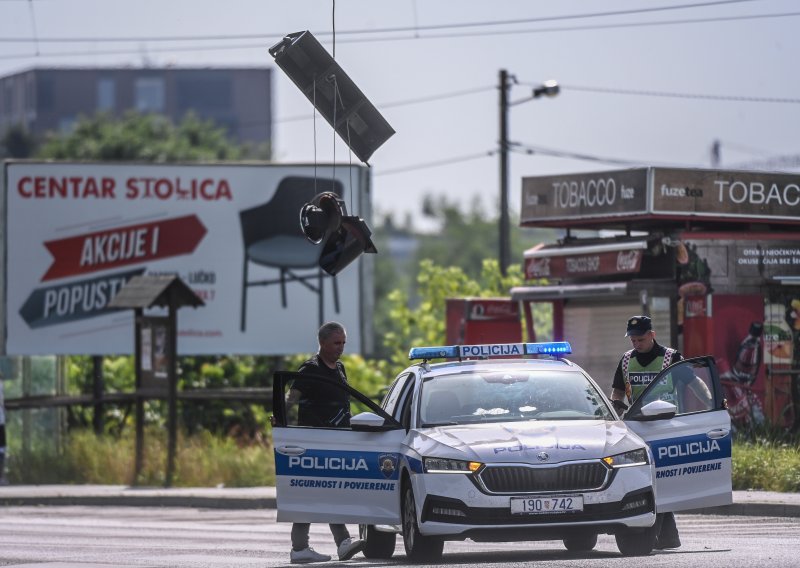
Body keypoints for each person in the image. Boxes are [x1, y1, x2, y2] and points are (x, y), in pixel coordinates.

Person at [287, 322, 365, 564]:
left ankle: (342, 543)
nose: (341, 348)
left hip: (337, 441)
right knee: (308, 495)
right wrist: (279, 418)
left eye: (343, 343)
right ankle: (300, 548)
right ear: (322, 343)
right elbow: (292, 398)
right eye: (336, 343)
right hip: (312, 441)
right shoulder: (309, 369)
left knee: (334, 491)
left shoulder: (339, 368)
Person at [610, 315, 682, 551]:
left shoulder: (671, 358)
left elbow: (692, 384)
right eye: (632, 339)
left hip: (667, 429)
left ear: (652, 335)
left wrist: (713, 404)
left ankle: (665, 536)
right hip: (639, 431)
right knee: (650, 481)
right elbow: (617, 393)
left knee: (662, 481)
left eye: (640, 338)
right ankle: (668, 537)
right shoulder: (626, 360)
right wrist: (617, 408)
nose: (635, 343)